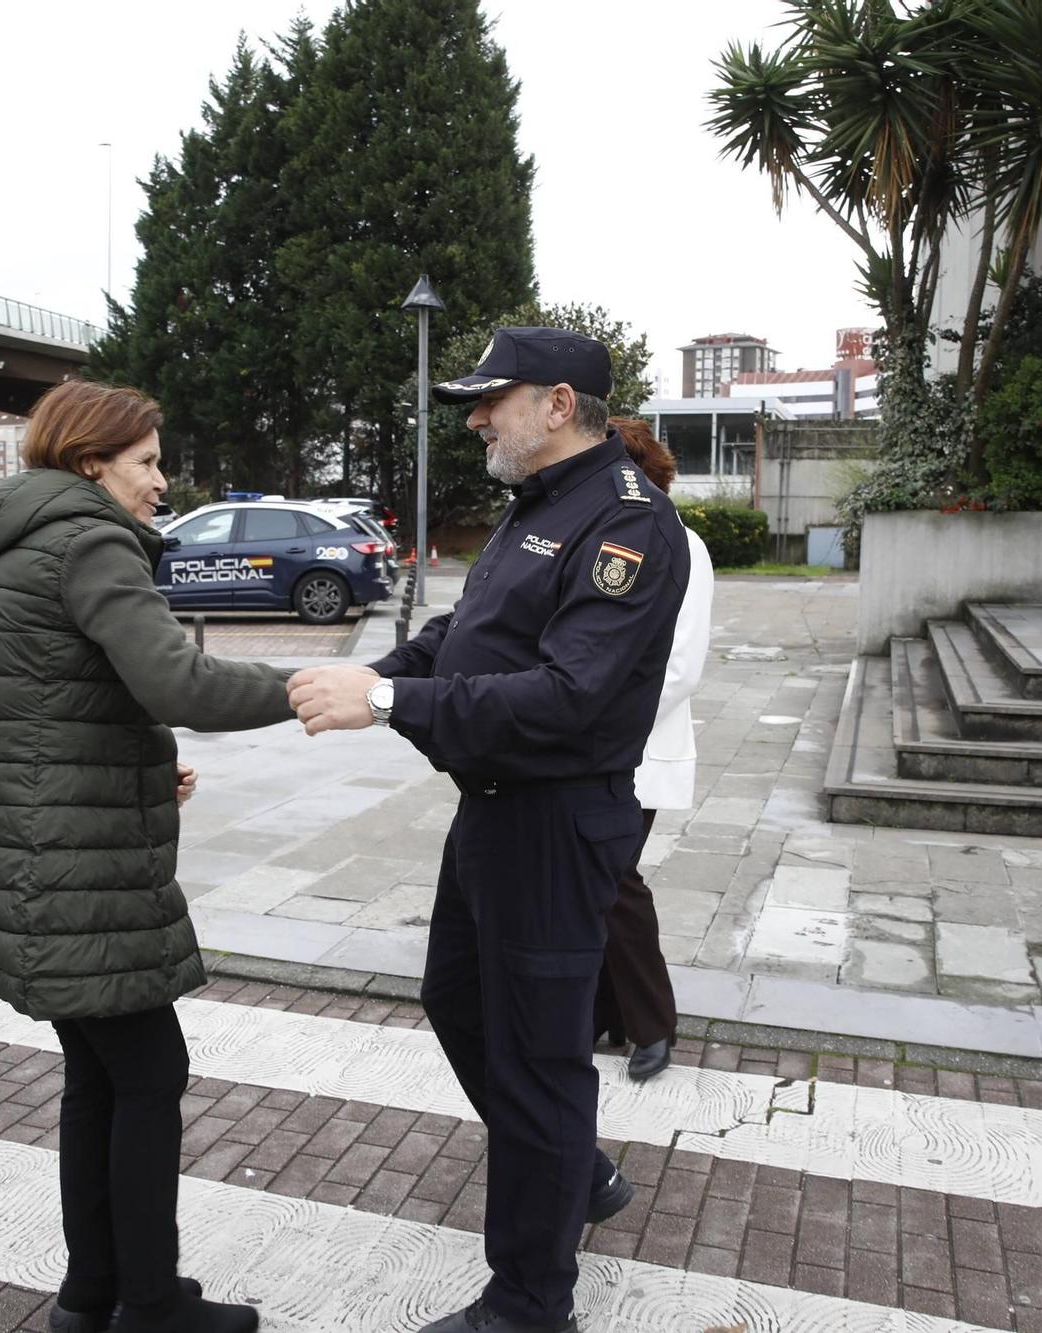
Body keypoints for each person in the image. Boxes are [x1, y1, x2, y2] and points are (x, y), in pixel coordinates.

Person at [287, 328, 689, 1333]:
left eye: (489, 399)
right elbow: (466, 640)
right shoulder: (536, 507)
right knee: (456, 999)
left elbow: (564, 697)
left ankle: (526, 1303)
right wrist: (377, 675)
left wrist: (385, 704)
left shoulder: (630, 527)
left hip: (555, 823)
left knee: (539, 1060)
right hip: (494, 814)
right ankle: (575, 1170)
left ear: (558, 404)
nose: (473, 417)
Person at [0, 380, 290, 1333]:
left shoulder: (10, 549)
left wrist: (138, 763)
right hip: (80, 875)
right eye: (146, 460)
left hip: (32, 859)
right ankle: (150, 1304)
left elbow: (48, 706)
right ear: (92, 463)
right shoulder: (90, 541)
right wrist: (308, 683)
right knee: (147, 1077)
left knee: (96, 1079)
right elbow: (177, 678)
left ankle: (90, 1293)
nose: (161, 478)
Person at [594, 417, 714, 1082]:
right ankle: (612, 1013)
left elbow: (682, 665)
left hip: (634, 745)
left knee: (612, 878)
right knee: (597, 879)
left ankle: (651, 1023)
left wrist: (598, 720)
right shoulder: (604, 532)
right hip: (591, 744)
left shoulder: (682, 542)